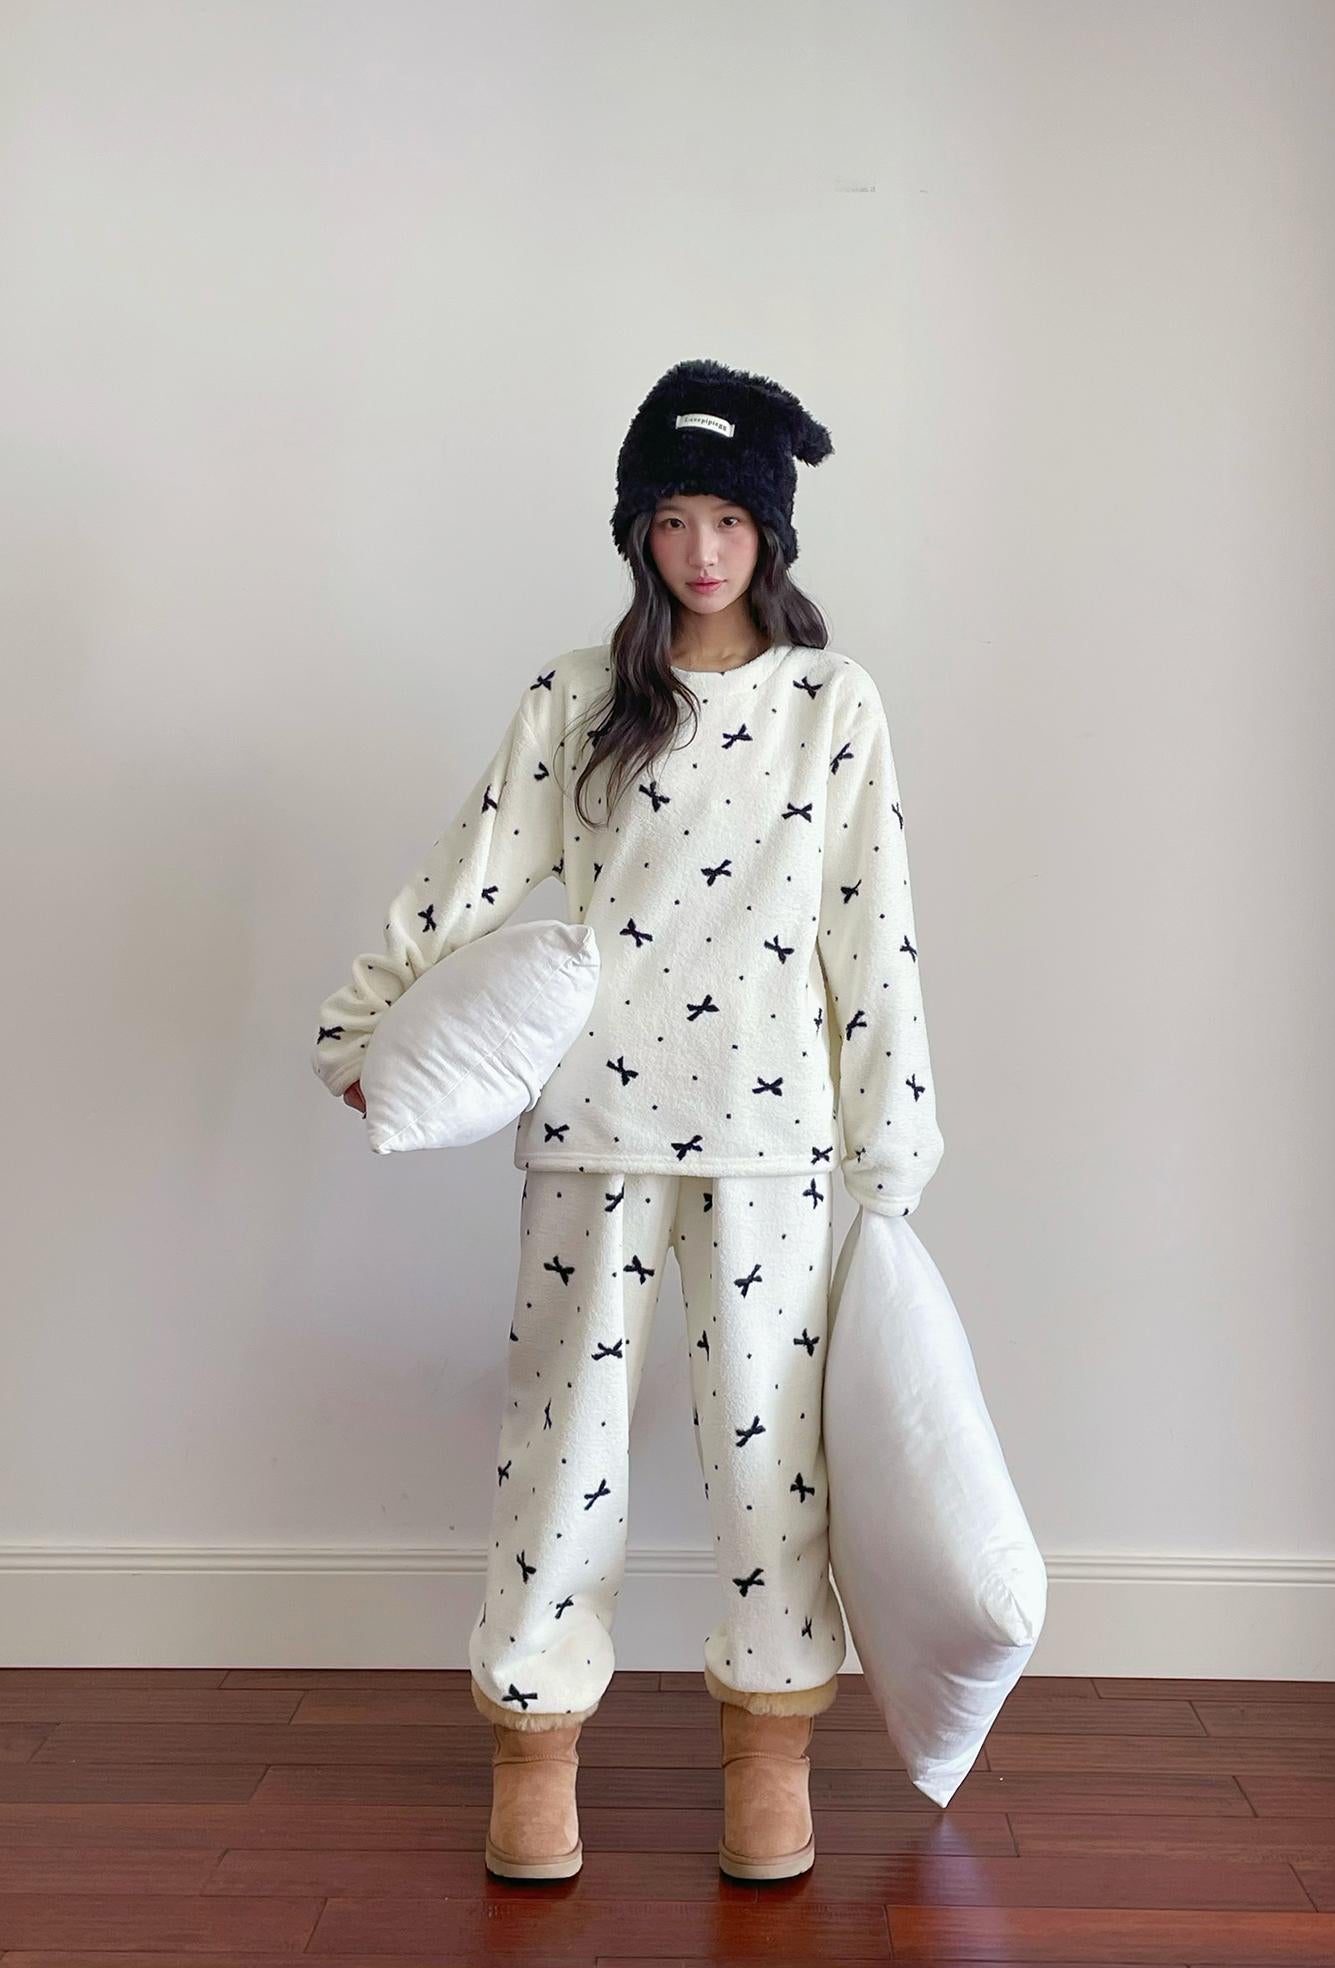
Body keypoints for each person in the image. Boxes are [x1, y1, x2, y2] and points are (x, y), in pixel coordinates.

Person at [311, 358, 944, 1883]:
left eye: (728, 518)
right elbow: (468, 871)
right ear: (638, 532)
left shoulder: (829, 705)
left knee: (771, 1453)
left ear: (769, 531)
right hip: (592, 1124)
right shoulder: (578, 699)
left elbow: (872, 931)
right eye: (672, 518)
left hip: (771, 1140)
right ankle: (533, 1746)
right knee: (563, 1438)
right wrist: (364, 1027)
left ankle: (771, 1749)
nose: (701, 550)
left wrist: (892, 1133)